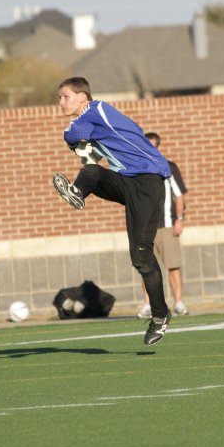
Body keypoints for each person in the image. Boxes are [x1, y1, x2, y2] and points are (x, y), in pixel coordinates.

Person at [53, 76, 172, 346]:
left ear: (82, 97)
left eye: (65, 97)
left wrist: (78, 143)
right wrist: (85, 148)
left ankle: (160, 315)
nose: (61, 103)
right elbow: (82, 139)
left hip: (148, 183)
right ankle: (78, 194)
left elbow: (71, 134)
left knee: (141, 257)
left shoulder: (97, 111)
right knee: (92, 171)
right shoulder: (93, 117)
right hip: (127, 181)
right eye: (60, 98)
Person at [137, 132, 189, 319]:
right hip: (146, 227)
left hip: (167, 224)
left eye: (153, 146)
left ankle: (178, 302)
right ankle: (148, 304)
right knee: (146, 267)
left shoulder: (168, 167)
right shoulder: (137, 168)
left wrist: (179, 219)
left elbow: (179, 195)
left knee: (173, 265)